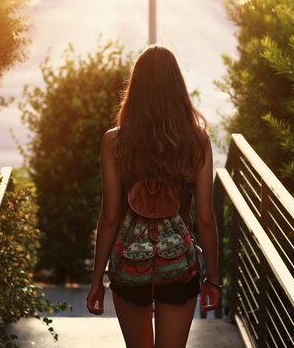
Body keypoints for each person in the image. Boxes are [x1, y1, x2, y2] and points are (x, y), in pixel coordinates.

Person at [86, 45, 221, 348]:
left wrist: (97, 280)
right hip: (178, 267)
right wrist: (213, 279)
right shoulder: (197, 141)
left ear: (136, 87)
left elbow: (110, 216)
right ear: (177, 86)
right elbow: (205, 219)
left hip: (129, 267)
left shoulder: (115, 141)